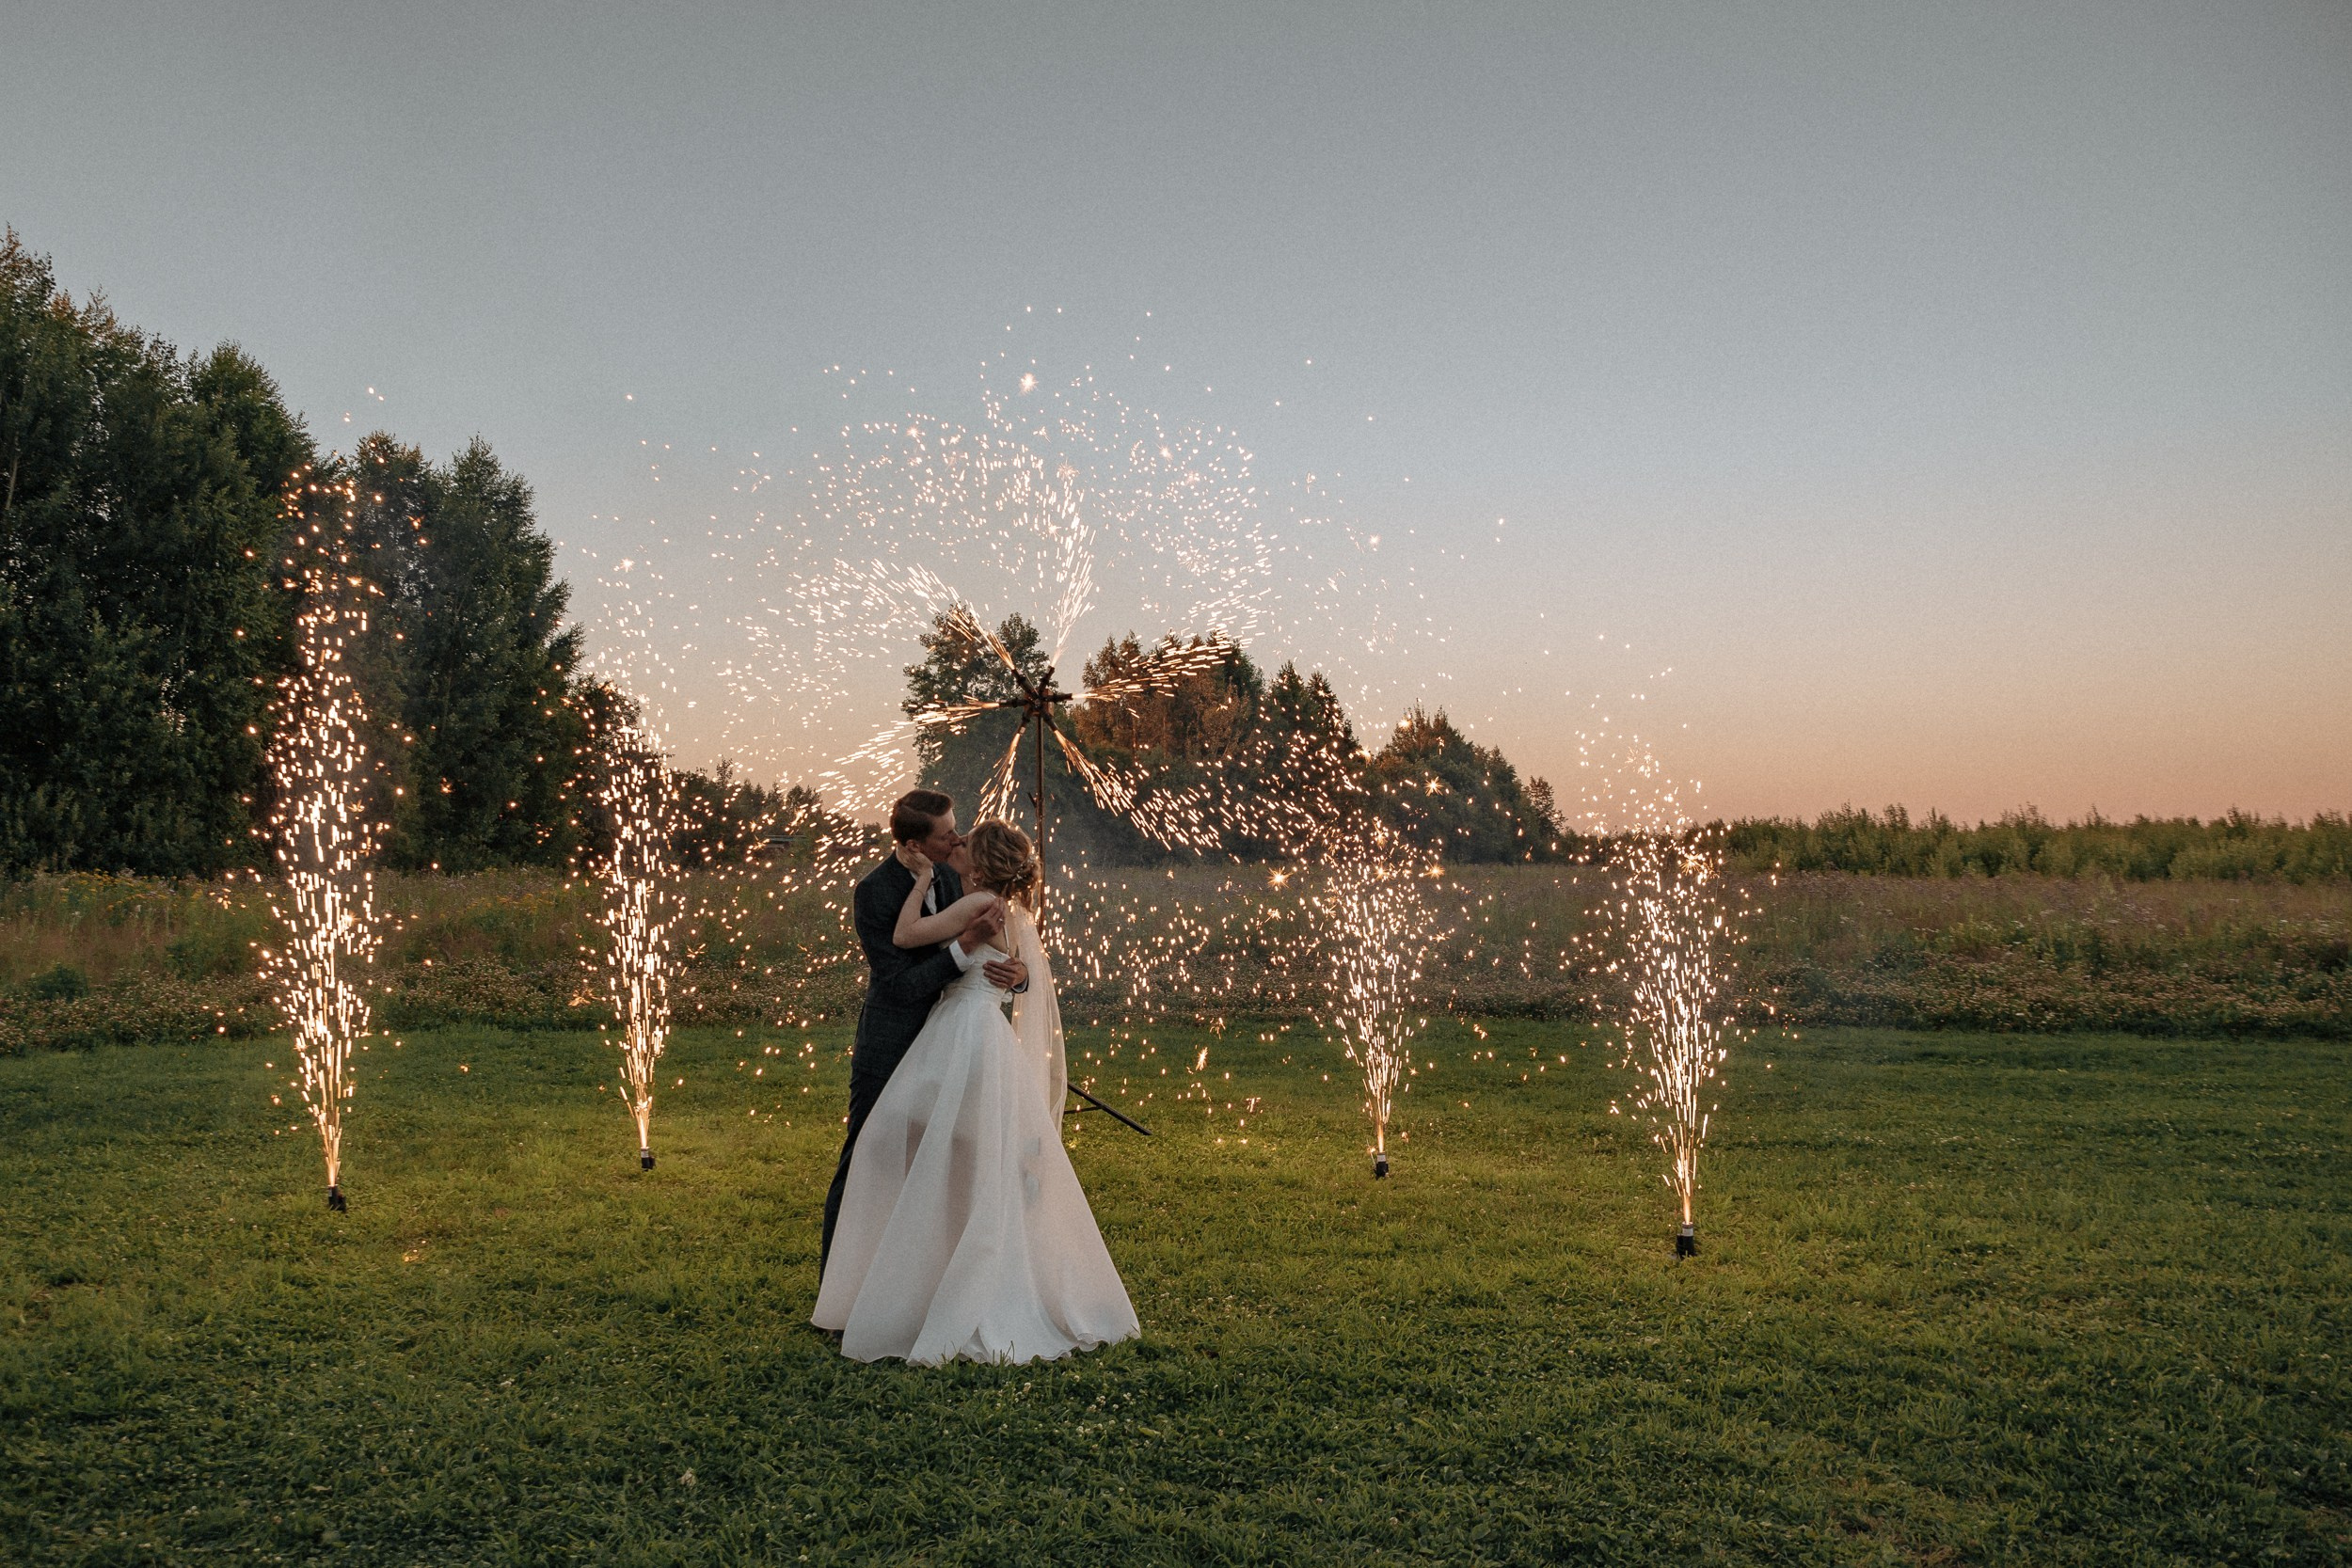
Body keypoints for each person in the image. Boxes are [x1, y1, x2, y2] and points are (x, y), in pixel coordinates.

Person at [812, 819, 1139, 1365]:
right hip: (980, 1032)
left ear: (982, 865)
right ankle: (933, 1271)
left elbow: (906, 936)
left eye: (965, 843)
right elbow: (1020, 968)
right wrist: (1018, 972)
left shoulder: (976, 903)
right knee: (959, 1151)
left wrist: (921, 882)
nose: (956, 844)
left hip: (962, 1031)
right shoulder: (1008, 909)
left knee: (911, 1143)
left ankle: (940, 1282)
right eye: (953, 838)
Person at [818, 790, 1026, 1273]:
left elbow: (1006, 949)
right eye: (947, 834)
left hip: (957, 1047)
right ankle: (840, 1285)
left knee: (949, 1160)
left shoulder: (958, 877)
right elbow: (900, 982)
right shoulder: (875, 891)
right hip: (893, 1042)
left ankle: (929, 1276)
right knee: (868, 1158)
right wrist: (965, 946)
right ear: (914, 844)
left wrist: (1019, 975)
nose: (958, 838)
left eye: (957, 829)